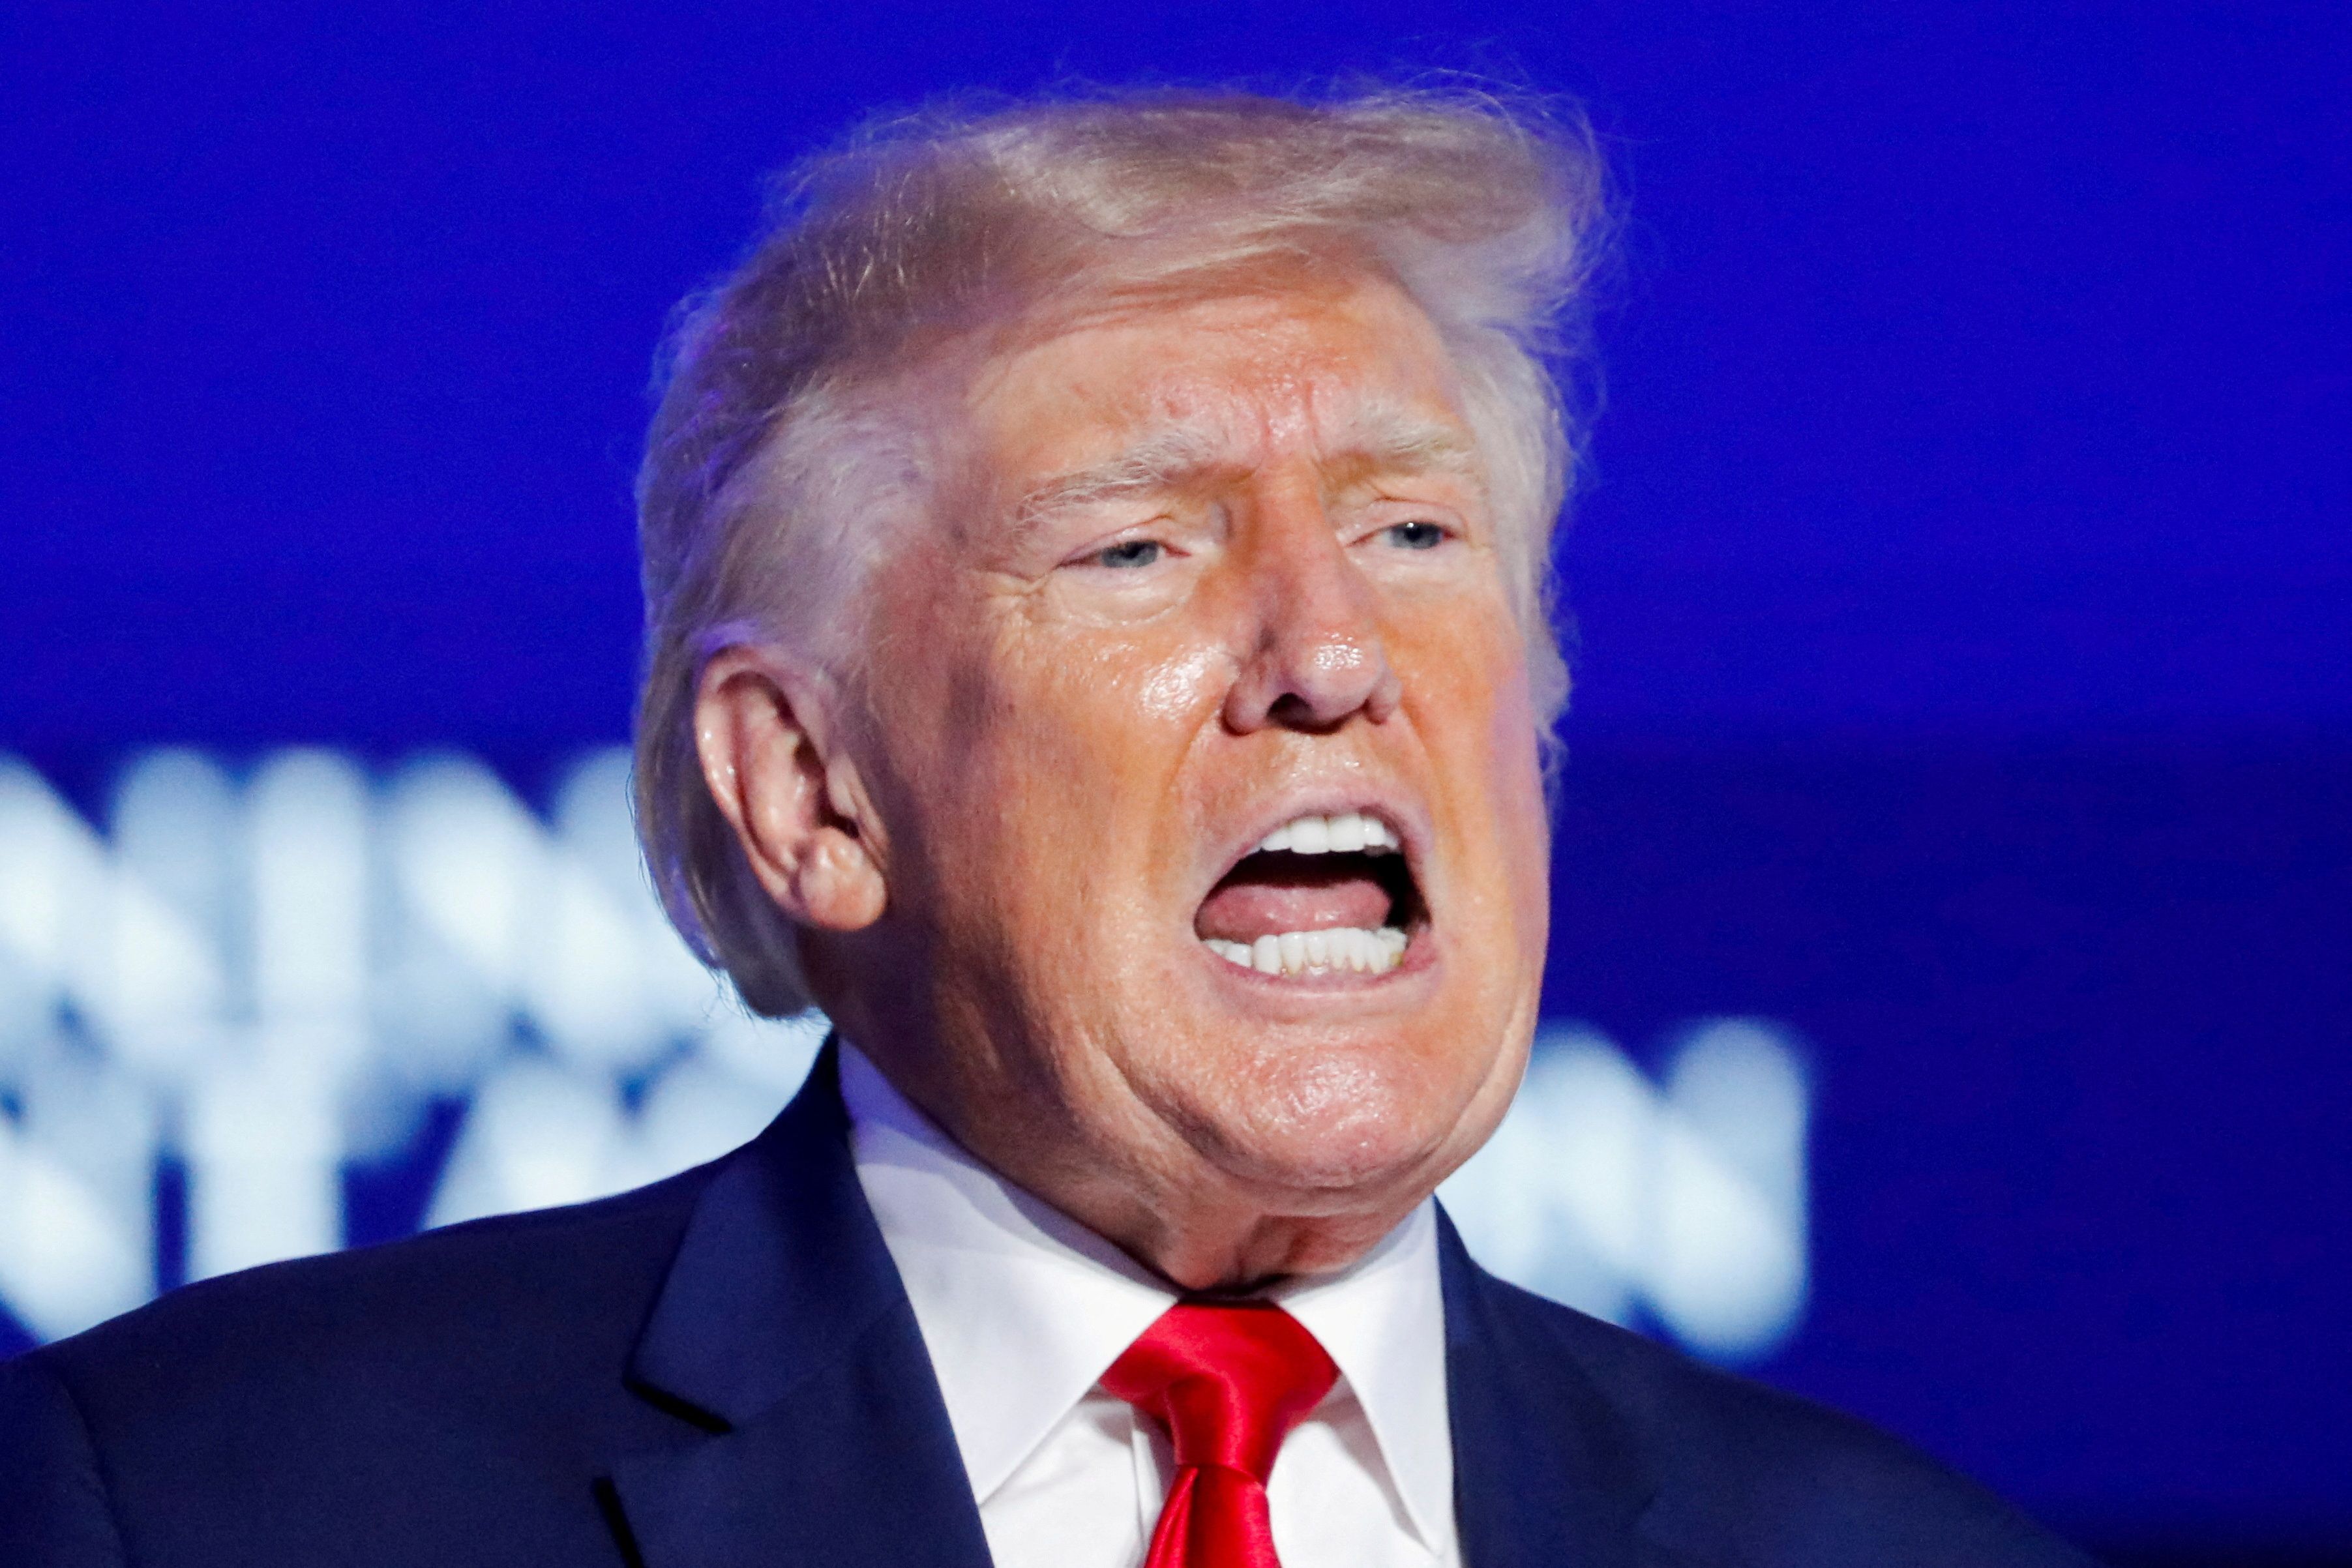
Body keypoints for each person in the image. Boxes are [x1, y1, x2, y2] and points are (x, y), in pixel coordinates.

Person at [0, 86, 2090, 1567]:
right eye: (1142, 549)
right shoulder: (217, 1503)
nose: (1330, 653)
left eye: (1415, 528)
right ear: (808, 790)